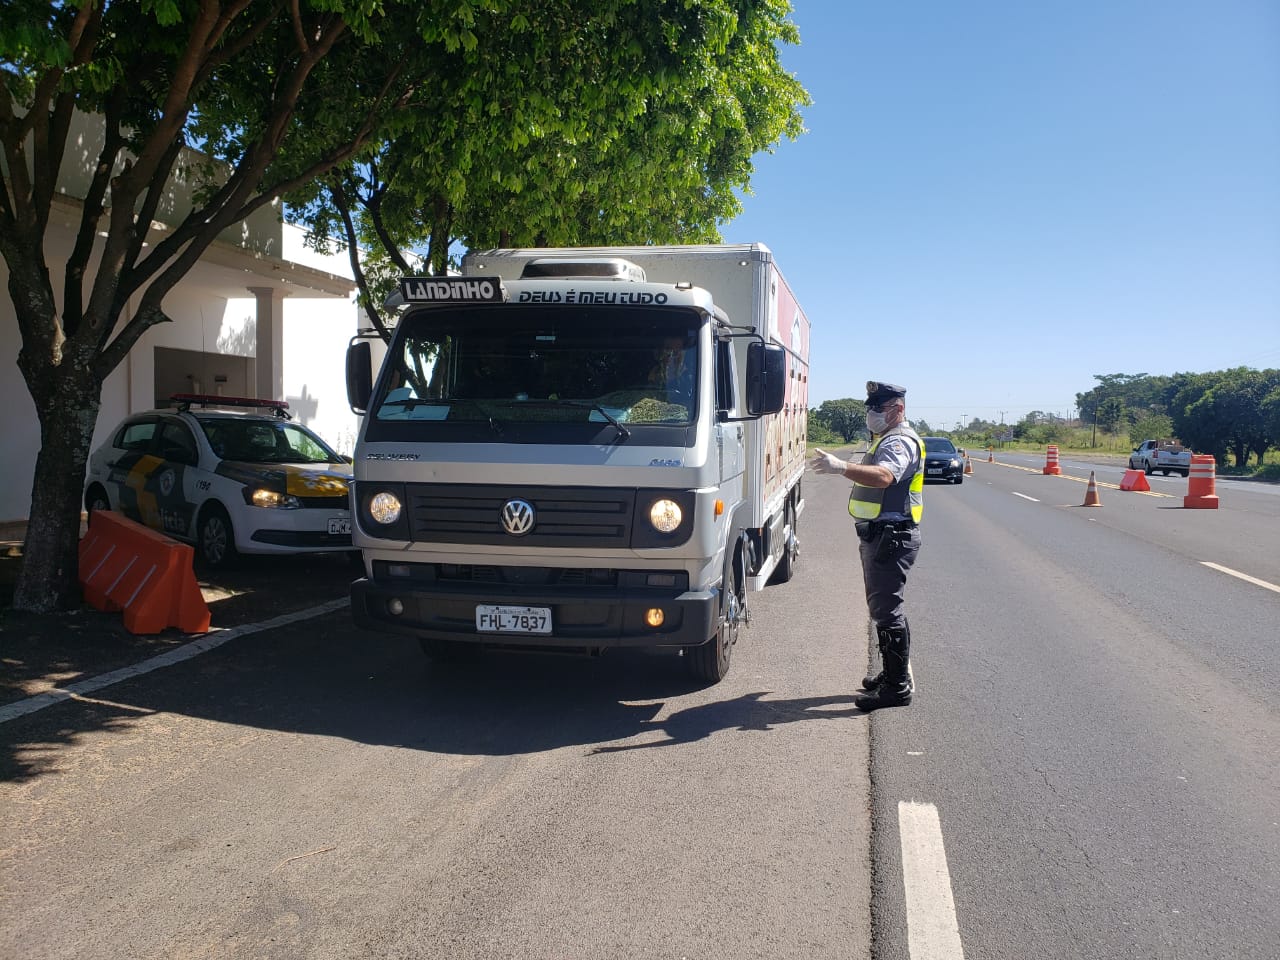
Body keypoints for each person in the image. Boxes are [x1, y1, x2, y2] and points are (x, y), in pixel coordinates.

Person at [810, 381, 924, 710]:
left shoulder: (899, 440)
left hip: (892, 535)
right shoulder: (887, 438)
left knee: (888, 612)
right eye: (871, 407)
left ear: (897, 409)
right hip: (884, 533)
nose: (871, 413)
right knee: (885, 610)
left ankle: (896, 688)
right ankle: (892, 675)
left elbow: (885, 477)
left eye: (878, 407)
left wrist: (841, 467)